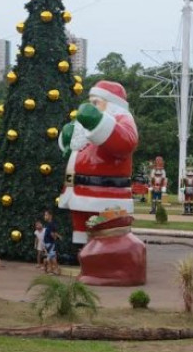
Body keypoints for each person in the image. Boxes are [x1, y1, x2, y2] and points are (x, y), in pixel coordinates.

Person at [58, 80, 138, 244]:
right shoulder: (83, 126)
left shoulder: (122, 119)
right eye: (91, 102)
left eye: (96, 102)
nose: (91, 106)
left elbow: (125, 144)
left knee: (103, 228)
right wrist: (66, 139)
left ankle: (101, 254)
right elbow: (74, 150)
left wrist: (97, 121)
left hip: (104, 191)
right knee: (80, 225)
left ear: (112, 104)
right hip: (78, 188)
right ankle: (80, 251)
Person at [42, 209, 61, 275]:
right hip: (48, 243)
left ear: (50, 216)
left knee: (52, 258)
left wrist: (54, 238)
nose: (45, 216)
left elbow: (53, 233)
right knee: (51, 258)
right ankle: (52, 270)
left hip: (50, 243)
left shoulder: (51, 224)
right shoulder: (49, 224)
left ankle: (56, 270)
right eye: (45, 215)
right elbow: (54, 232)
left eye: (46, 215)